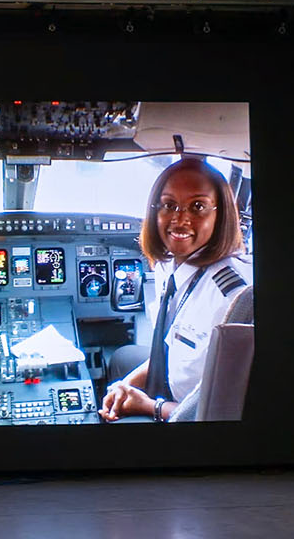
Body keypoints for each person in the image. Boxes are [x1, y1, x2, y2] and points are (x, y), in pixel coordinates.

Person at [100, 157, 252, 422]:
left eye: (197, 206)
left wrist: (149, 406)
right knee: (122, 358)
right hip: (171, 382)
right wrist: (125, 385)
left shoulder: (232, 297)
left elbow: (216, 412)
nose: (180, 219)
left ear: (222, 214)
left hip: (189, 415)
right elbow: (167, 348)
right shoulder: (168, 266)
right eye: (169, 205)